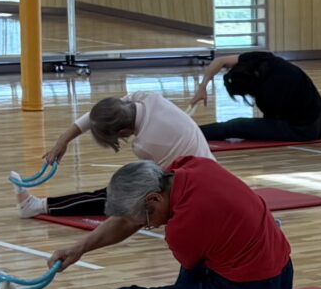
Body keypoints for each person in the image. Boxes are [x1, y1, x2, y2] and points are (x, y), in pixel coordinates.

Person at [8, 157, 294, 289]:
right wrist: (79, 248)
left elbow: (190, 269)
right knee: (183, 284)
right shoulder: (192, 167)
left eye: (147, 219)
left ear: (155, 199)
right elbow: (129, 221)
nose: (148, 226)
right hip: (281, 284)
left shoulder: (184, 227)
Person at [19, 90, 207, 218]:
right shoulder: (145, 97)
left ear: (123, 132)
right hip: (203, 171)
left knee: (115, 197)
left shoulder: (146, 144)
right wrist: (64, 139)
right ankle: (39, 205)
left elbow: (152, 185)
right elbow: (98, 116)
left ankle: (38, 207)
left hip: (193, 191)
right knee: (119, 190)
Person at [194, 49, 321, 143]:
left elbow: (270, 122)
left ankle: (193, 133)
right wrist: (202, 87)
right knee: (240, 125)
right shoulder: (260, 59)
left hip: (306, 129)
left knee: (236, 126)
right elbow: (220, 61)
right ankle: (194, 131)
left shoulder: (271, 91)